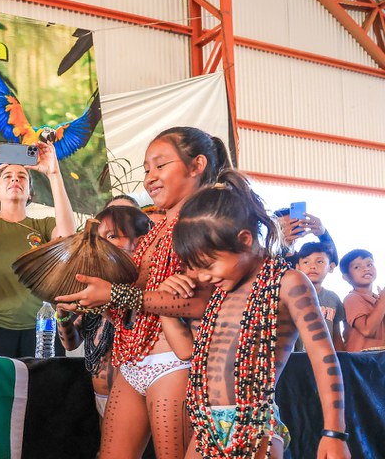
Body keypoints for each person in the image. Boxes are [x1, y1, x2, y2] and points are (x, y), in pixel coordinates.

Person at [57, 126, 230, 459]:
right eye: (147, 168)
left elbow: (200, 303)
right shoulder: (154, 228)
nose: (150, 176)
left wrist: (116, 296)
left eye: (161, 165)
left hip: (175, 364)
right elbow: (135, 298)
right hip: (131, 362)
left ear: (196, 166)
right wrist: (94, 298)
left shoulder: (206, 224)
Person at [167, 170, 350, 459]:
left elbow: (324, 358)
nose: (202, 277)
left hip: (254, 429)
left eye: (208, 265)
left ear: (243, 240)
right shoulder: (221, 292)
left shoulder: (289, 283)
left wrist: (334, 433)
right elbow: (188, 351)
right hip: (204, 429)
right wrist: (166, 308)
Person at [0, 141, 76, 357]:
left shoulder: (43, 226)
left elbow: (68, 238)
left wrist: (54, 174)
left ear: (30, 194)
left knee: (41, 391)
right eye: (7, 176)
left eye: (22, 176)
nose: (15, 178)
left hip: (40, 329)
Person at [56, 205, 151, 421]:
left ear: (140, 242)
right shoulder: (94, 291)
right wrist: (61, 312)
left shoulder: (145, 295)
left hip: (136, 402)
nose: (102, 245)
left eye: (112, 236)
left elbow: (135, 338)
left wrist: (108, 306)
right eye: (99, 238)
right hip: (100, 399)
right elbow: (71, 344)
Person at [294, 242, 345, 352]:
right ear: (298, 268)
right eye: (306, 262)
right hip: (297, 359)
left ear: (330, 267)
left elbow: (336, 333)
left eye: (320, 261)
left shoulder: (333, 298)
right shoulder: (291, 296)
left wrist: (342, 357)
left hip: (327, 359)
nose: (313, 266)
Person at [340, 249, 385, 352]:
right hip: (360, 363)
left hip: (379, 361)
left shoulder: (378, 298)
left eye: (369, 264)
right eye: (357, 267)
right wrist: (382, 301)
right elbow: (367, 330)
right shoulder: (352, 298)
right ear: (346, 277)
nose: (366, 269)